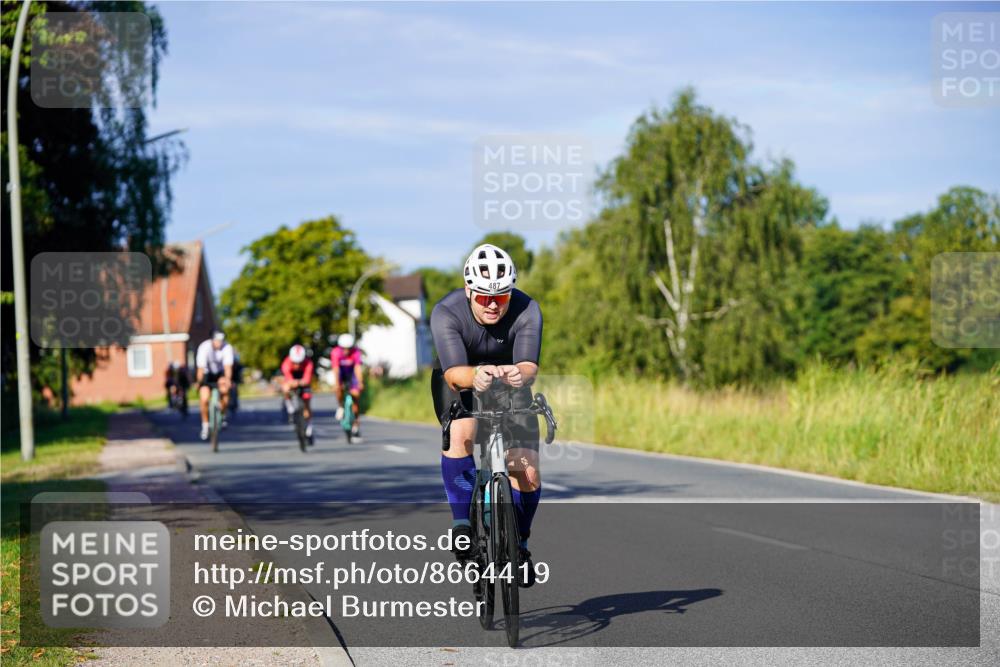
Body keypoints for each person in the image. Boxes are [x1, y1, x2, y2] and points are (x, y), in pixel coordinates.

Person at [430, 243, 542, 587]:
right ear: (468, 292)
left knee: (526, 468)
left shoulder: (527, 309)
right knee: (463, 433)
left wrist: (518, 375)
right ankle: (462, 523)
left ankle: (520, 544)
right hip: (459, 380)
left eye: (501, 297)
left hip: (509, 383)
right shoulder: (446, 312)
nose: (493, 304)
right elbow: (453, 374)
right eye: (482, 297)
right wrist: (474, 376)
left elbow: (528, 366)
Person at [195, 330, 235, 441]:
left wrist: (227, 380)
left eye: (221, 341)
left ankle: (222, 415)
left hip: (220, 373)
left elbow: (228, 367)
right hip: (207, 374)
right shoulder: (204, 347)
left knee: (225, 390)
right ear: (212, 340)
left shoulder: (227, 348)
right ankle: (205, 425)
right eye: (217, 341)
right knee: (204, 398)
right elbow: (201, 369)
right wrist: (199, 383)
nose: (219, 343)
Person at [331, 333, 364, 442]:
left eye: (348, 348)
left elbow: (358, 368)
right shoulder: (335, 353)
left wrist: (360, 382)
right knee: (338, 389)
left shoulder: (356, 352)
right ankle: (340, 406)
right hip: (341, 374)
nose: (346, 351)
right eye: (344, 348)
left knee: (356, 396)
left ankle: (355, 426)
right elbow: (336, 369)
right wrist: (337, 383)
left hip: (351, 375)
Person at [281, 344, 315, 440]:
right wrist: (293, 383)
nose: (297, 365)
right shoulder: (286, 363)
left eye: (300, 362)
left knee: (307, 403)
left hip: (303, 381)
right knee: (285, 388)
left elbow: (307, 379)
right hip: (292, 380)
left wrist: (301, 382)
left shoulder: (308, 363)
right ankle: (290, 408)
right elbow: (288, 379)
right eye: (295, 362)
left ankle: (309, 428)